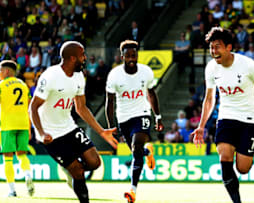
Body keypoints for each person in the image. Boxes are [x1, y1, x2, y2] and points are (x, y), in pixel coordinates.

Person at [191, 27, 254, 203]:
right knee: (225, 157)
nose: (213, 52)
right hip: (227, 116)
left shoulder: (248, 65)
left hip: (250, 117)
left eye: (217, 47)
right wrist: (201, 125)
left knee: (243, 168)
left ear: (228, 47)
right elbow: (209, 98)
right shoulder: (211, 68)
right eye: (211, 47)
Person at [29, 41, 118, 203]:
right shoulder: (50, 76)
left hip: (69, 127)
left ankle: (69, 169)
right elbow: (33, 107)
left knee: (95, 162)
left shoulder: (78, 77)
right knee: (78, 172)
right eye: (82, 55)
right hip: (51, 133)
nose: (85, 58)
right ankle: (75, 177)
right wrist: (41, 132)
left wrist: (101, 131)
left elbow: (81, 108)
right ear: (72, 58)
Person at [105, 40, 164, 203]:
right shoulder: (114, 75)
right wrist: (111, 126)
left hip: (142, 113)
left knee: (137, 144)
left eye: (134, 55)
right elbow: (109, 102)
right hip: (123, 117)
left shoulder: (146, 72)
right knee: (136, 151)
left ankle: (133, 190)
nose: (132, 58)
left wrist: (157, 116)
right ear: (122, 57)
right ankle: (147, 152)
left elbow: (151, 94)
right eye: (128, 56)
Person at [0, 60, 34, 197]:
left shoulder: (2, 85)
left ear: (7, 71)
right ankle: (28, 176)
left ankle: (12, 190)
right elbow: (29, 106)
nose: (0, 73)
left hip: (8, 125)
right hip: (23, 124)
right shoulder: (24, 85)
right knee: (22, 155)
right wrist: (30, 128)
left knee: (8, 158)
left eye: (1, 70)